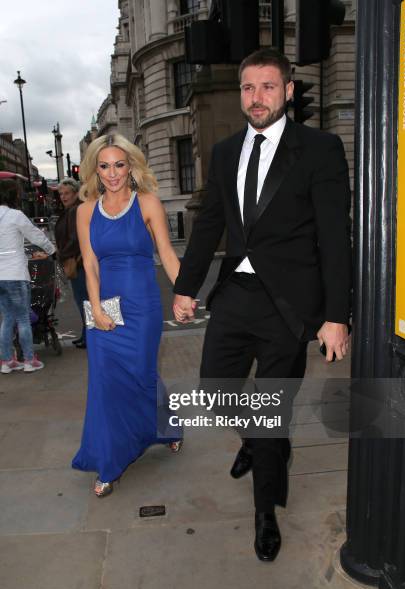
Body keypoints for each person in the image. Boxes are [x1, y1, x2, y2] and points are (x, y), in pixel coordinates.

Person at [173, 48, 351, 562]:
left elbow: (335, 240)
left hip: (290, 306)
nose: (256, 97)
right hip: (237, 295)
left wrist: (336, 316)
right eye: (248, 88)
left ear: (288, 91)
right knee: (214, 391)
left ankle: (264, 511)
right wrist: (186, 286)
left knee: (271, 414)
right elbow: (209, 223)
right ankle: (254, 438)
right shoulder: (226, 151)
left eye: (268, 87)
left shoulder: (319, 148)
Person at [71, 133, 182, 497]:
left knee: (141, 375)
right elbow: (89, 263)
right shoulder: (85, 210)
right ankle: (110, 461)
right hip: (103, 306)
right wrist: (97, 308)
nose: (113, 173)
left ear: (130, 165)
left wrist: (185, 292)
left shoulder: (147, 202)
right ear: (95, 170)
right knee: (105, 384)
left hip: (143, 305)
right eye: (104, 166)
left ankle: (165, 427)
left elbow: (166, 253)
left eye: (119, 164)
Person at [0, 199, 56, 373]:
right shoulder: (15, 216)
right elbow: (35, 234)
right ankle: (29, 360)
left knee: (7, 318)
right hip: (15, 273)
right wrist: (51, 250)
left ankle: (7, 361)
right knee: (23, 318)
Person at [54, 178, 88, 348]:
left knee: (84, 301)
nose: (63, 196)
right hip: (76, 261)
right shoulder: (70, 210)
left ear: (76, 193)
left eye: (67, 193)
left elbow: (75, 239)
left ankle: (90, 337)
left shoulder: (75, 210)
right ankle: (86, 335)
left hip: (79, 262)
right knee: (82, 300)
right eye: (61, 194)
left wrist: (61, 254)